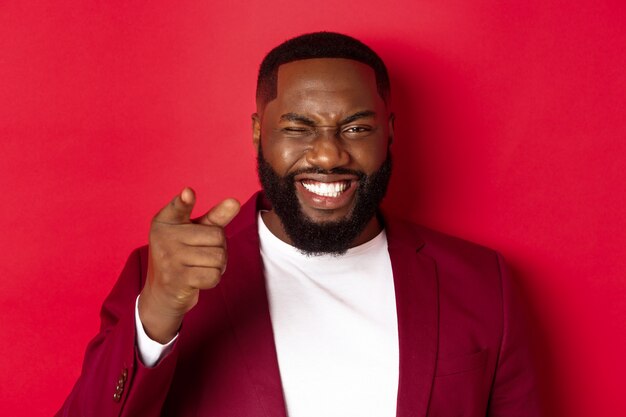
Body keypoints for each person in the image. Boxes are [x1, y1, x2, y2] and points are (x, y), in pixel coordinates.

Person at [57, 32, 540, 417]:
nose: (328, 155)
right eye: (297, 128)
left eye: (356, 128)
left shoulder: (481, 284)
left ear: (389, 132)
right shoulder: (164, 275)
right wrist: (157, 312)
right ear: (257, 133)